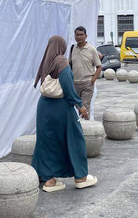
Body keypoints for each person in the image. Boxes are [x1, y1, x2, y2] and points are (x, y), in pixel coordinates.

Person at [32, 35, 97, 192]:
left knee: (47, 142)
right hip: (61, 108)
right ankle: (80, 177)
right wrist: (80, 106)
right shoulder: (61, 61)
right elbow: (68, 86)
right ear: (61, 47)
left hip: (44, 107)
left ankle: (49, 179)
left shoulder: (46, 61)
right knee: (75, 138)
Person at [70, 26, 102, 117]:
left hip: (87, 83)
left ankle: (85, 129)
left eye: (81, 35)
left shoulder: (91, 49)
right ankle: (78, 128)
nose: (79, 37)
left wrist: (92, 80)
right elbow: (70, 65)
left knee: (84, 108)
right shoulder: (72, 49)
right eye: (77, 35)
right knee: (75, 107)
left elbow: (99, 67)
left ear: (86, 36)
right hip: (75, 83)